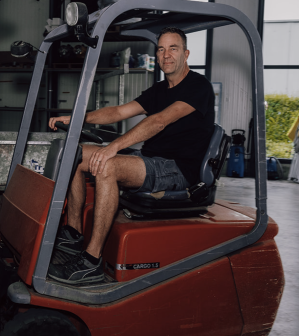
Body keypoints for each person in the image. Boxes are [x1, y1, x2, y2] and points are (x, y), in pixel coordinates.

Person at [47, 27, 215, 285]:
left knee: (108, 166)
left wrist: (113, 147)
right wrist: (76, 119)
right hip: (151, 160)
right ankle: (74, 234)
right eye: (161, 49)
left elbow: (159, 121)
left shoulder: (198, 86)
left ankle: (91, 262)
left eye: (173, 48)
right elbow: (118, 112)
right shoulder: (159, 90)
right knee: (75, 154)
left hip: (178, 169)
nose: (166, 55)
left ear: (186, 53)